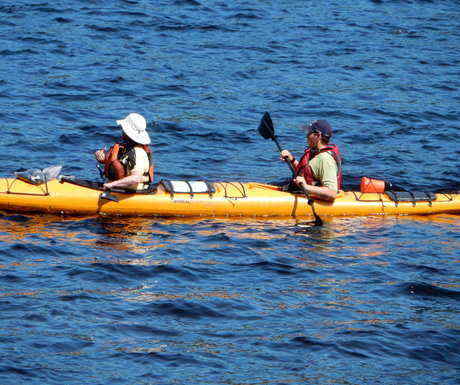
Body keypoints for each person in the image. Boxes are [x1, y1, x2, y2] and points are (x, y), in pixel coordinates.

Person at [280, 119, 342, 201]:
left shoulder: (325, 159)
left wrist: (306, 187)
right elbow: (307, 172)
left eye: (309, 132)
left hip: (317, 200)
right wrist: (292, 160)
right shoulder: (315, 152)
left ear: (317, 136)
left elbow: (331, 193)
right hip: (301, 192)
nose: (307, 136)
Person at [94, 113, 154, 191]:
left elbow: (136, 178)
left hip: (132, 192)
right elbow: (116, 161)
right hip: (118, 189)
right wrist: (101, 156)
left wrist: (111, 184)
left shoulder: (139, 153)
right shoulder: (124, 147)